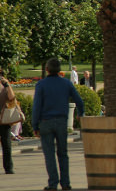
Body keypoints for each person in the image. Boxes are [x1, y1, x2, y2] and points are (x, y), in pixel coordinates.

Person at [32, 58, 85, 191]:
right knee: (63, 153)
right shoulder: (66, 83)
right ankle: (66, 183)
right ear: (59, 70)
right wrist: (80, 113)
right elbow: (79, 101)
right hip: (62, 121)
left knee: (49, 154)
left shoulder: (41, 85)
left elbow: (37, 106)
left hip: (46, 122)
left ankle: (53, 183)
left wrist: (34, 125)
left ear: (47, 69)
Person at [0, 68, 16, 174]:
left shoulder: (5, 86)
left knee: (6, 144)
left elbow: (12, 98)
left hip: (4, 119)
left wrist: (8, 85)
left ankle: (9, 167)